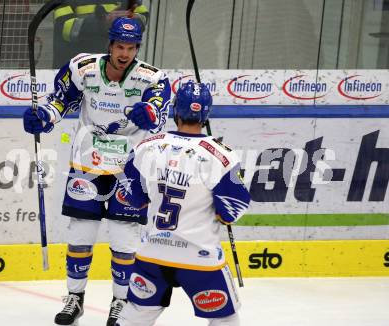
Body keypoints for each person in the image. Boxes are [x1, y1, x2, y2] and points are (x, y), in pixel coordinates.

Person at [23, 17, 171, 326]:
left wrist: (149, 114)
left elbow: (158, 114)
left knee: (124, 238)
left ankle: (121, 301)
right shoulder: (83, 67)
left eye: (131, 48)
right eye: (120, 46)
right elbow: (60, 101)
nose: (124, 53)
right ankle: (74, 298)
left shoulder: (153, 78)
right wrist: (45, 117)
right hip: (87, 162)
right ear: (110, 44)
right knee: (81, 232)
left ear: (137, 49)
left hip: (129, 168)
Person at [115, 81, 251, 326]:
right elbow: (233, 210)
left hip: (152, 255)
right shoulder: (221, 155)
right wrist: (221, 215)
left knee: (133, 318)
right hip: (199, 259)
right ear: (206, 114)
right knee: (225, 320)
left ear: (174, 110)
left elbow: (130, 195)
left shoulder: (146, 146)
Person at [52, 0, 149, 68]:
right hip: (79, 68)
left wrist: (129, 20)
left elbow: (142, 16)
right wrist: (103, 23)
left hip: (117, 68)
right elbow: (64, 27)